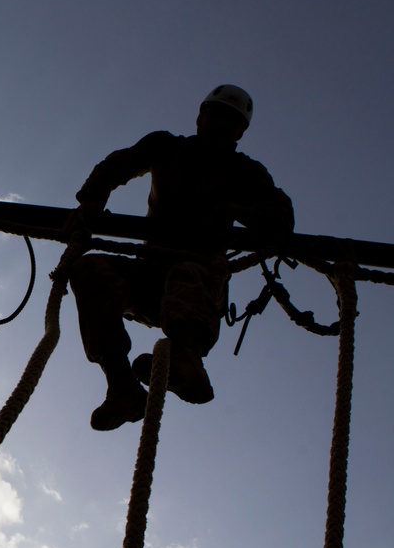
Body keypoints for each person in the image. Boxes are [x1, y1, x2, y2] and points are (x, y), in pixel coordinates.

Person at [68, 85, 294, 431]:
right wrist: (92, 201)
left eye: (230, 121)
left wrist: (235, 208)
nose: (220, 124)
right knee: (89, 268)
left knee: (187, 269)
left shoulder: (246, 173)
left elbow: (281, 218)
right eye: (215, 114)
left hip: (197, 288)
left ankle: (187, 364)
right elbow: (118, 164)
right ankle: (122, 387)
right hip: (148, 276)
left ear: (240, 132)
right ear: (200, 116)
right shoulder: (166, 147)